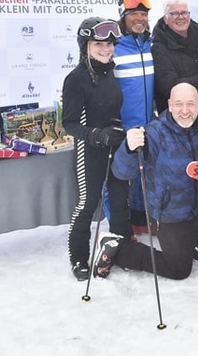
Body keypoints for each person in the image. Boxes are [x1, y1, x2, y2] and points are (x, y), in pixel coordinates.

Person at [91, 83, 198, 280]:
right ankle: (118, 249)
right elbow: (122, 172)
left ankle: (195, 241)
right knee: (178, 269)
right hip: (172, 212)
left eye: (190, 104)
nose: (184, 111)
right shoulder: (154, 133)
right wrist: (129, 148)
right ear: (168, 104)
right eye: (178, 104)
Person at [61, 17, 130, 281]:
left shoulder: (109, 72)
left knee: (120, 199)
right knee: (87, 203)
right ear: (85, 45)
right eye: (99, 44)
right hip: (89, 149)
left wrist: (115, 129)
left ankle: (121, 250)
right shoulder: (76, 79)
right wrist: (96, 135)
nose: (106, 49)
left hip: (115, 144)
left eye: (110, 43)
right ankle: (79, 258)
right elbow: (68, 124)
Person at [113, 0, 156, 235]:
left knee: (144, 178)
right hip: (122, 128)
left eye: (143, 14)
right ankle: (119, 231)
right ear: (123, 17)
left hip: (147, 125)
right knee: (119, 182)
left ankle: (141, 222)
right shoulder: (114, 47)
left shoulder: (149, 45)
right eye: (133, 14)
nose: (140, 18)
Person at [152, 0, 198, 115]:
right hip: (176, 115)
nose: (181, 17)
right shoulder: (159, 47)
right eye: (174, 14)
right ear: (166, 19)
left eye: (184, 13)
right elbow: (169, 86)